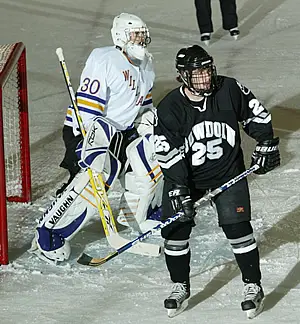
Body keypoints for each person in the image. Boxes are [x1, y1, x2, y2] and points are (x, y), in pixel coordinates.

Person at [154, 45, 280, 318]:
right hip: (187, 178)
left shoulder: (229, 89)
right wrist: (178, 187)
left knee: (238, 229)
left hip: (228, 173)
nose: (206, 78)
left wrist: (266, 141)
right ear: (183, 76)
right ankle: (180, 285)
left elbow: (256, 114)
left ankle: (253, 286)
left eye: (208, 70)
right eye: (198, 73)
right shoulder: (170, 107)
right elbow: (165, 151)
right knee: (175, 232)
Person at [30, 13, 163, 263]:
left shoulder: (147, 64)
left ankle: (135, 213)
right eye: (136, 35)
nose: (141, 40)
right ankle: (49, 232)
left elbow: (143, 104)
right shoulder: (104, 59)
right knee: (94, 181)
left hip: (123, 132)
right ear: (121, 36)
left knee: (153, 154)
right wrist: (91, 145)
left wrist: (147, 122)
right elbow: (90, 111)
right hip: (90, 131)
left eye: (143, 36)